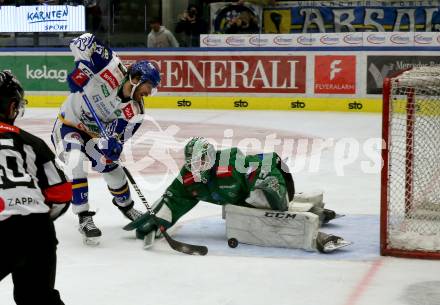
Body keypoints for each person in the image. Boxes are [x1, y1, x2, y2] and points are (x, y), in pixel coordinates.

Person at [125, 137, 350, 253]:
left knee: (261, 200)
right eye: (192, 162)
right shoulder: (189, 177)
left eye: (201, 161)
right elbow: (174, 201)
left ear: (212, 158)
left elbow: (262, 167)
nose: (196, 167)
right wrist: (156, 221)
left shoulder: (230, 162)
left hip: (272, 174)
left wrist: (268, 188)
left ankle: (313, 232)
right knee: (244, 209)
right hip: (242, 197)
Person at [51, 32, 161, 245]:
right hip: (70, 124)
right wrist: (82, 69)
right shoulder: (110, 66)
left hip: (94, 137)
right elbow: (83, 40)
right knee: (76, 161)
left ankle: (127, 208)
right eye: (150, 87)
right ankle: (84, 217)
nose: (150, 93)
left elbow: (117, 138)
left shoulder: (135, 112)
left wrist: (113, 147)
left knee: (112, 169)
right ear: (137, 79)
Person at [0, 71, 71, 305]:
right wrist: (31, 214)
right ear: (12, 108)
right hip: (38, 231)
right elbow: (61, 194)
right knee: (38, 299)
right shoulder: (32, 142)